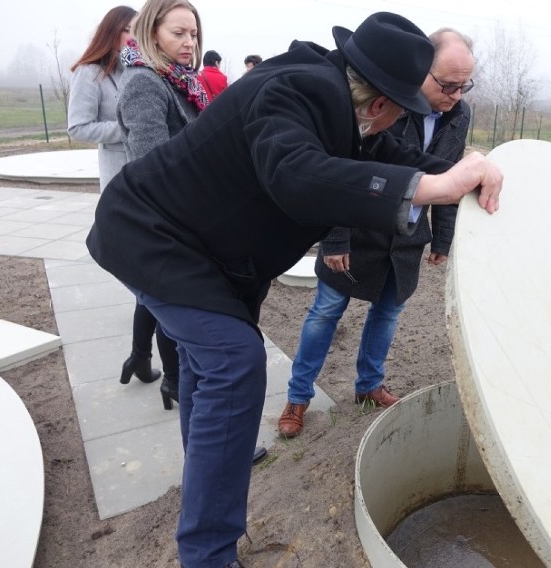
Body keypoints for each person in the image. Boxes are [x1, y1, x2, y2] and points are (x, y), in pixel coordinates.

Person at [87, 12, 502, 568]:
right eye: (404, 110)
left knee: (211, 368)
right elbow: (294, 172)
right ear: (380, 104)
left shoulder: (342, 108)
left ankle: (208, 475)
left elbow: (401, 161)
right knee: (234, 362)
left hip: (200, 254)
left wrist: (460, 175)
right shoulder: (295, 89)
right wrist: (432, 186)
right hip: (154, 238)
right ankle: (207, 556)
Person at [278, 27, 476, 438]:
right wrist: (335, 237)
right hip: (358, 229)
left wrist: (441, 238)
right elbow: (342, 163)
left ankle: (368, 386)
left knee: (388, 313)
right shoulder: (385, 100)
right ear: (423, 71)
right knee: (326, 312)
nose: (456, 95)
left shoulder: (460, 115)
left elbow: (448, 177)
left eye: (463, 86)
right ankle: (298, 397)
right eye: (448, 84)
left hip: (406, 237)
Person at [115, 0, 206, 406]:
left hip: (185, 220)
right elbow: (154, 167)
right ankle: (185, 396)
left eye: (194, 33)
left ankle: (169, 381)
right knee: (182, 325)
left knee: (175, 321)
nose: (190, 42)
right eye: (178, 34)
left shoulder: (181, 78)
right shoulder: (145, 83)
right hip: (169, 223)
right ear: (153, 34)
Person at [67, 5, 138, 192]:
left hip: (146, 173)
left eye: (138, 31)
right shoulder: (89, 72)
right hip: (118, 176)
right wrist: (128, 128)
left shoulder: (139, 71)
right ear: (111, 32)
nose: (135, 38)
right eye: (128, 30)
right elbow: (78, 128)